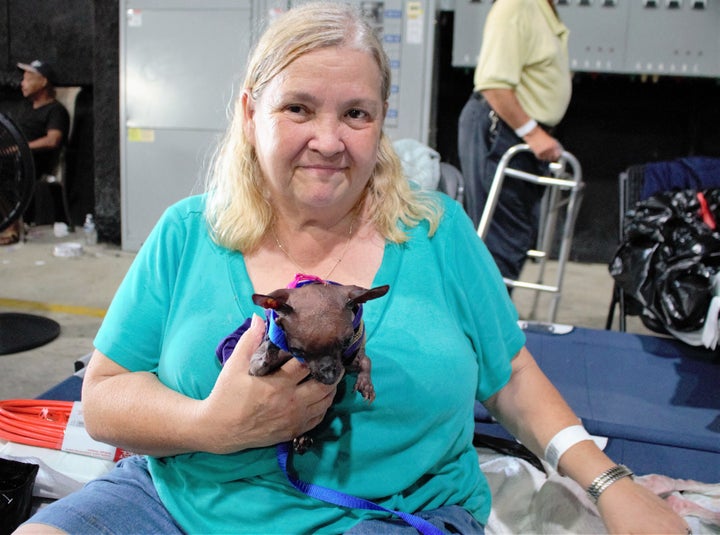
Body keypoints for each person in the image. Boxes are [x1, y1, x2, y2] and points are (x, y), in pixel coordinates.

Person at [18, 3, 688, 533]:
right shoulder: (188, 233)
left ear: (380, 122)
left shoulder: (434, 232)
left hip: (387, 514)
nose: (330, 140)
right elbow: (103, 396)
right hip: (179, 502)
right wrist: (212, 427)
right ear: (252, 114)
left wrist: (609, 482)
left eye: (356, 114)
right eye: (299, 108)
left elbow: (510, 373)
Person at [457, 0, 570, 281]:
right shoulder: (516, 6)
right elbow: (493, 84)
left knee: (514, 237)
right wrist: (532, 132)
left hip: (519, 134)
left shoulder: (541, 9)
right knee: (501, 238)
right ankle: (487, 322)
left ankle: (492, 317)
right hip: (505, 130)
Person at [0, 59, 70, 244]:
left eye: (28, 78)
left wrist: (20, 147)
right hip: (14, 157)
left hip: (34, 162)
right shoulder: (27, 109)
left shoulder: (56, 110)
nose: (22, 83)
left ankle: (10, 228)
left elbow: (53, 140)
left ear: (43, 82)